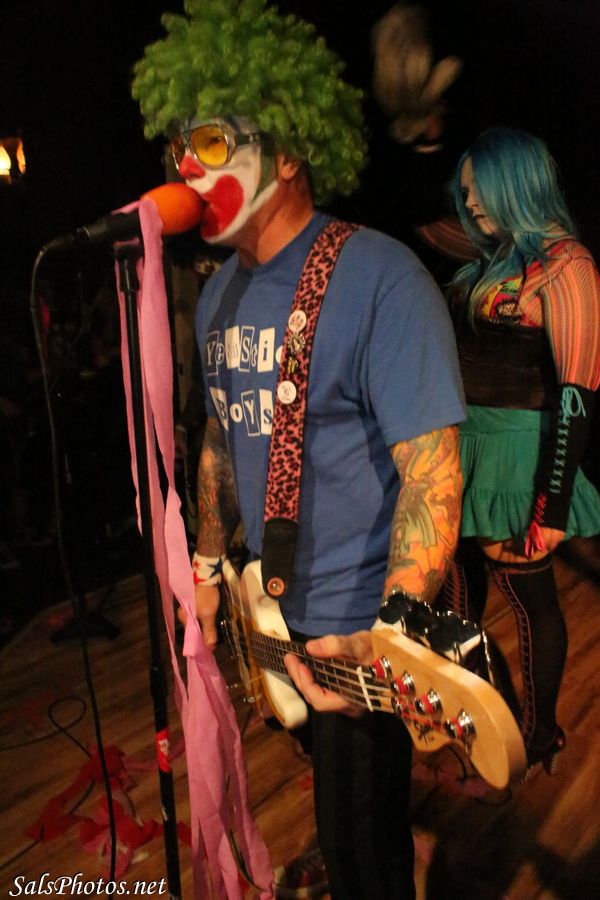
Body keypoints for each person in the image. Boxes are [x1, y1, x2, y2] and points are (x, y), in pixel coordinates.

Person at [133, 2, 465, 896]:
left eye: (212, 141)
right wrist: (208, 567)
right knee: (338, 814)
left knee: (363, 853)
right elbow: (222, 436)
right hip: (272, 613)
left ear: (286, 152)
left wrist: (391, 628)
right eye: (180, 147)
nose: (187, 167)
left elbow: (433, 473)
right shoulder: (217, 298)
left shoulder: (380, 277)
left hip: (359, 623)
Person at [441, 126, 600, 774]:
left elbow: (577, 392)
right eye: (465, 192)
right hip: (460, 448)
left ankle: (537, 738)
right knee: (455, 597)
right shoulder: (490, 263)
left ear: (517, 182)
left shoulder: (568, 265)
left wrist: (552, 505)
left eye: (480, 189)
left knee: (529, 602)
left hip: (516, 456)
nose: (470, 202)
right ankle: (477, 721)